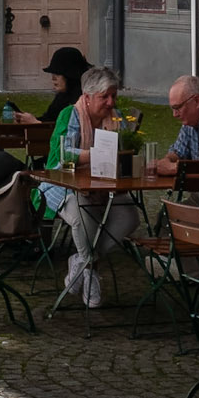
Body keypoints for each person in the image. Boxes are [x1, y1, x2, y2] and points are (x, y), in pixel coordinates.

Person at [39, 64, 139, 306]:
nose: (110, 102)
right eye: (104, 97)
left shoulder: (115, 119)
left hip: (104, 186)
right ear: (87, 97)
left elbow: (127, 150)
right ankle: (91, 270)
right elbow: (63, 155)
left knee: (129, 216)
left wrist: (122, 141)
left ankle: (82, 261)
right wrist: (97, 153)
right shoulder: (70, 115)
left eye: (114, 95)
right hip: (62, 185)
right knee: (81, 216)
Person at [40, 46, 89, 127]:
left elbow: (67, 129)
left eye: (58, 73)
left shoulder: (81, 102)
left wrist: (37, 123)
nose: (53, 78)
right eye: (53, 73)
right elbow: (49, 120)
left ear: (70, 76)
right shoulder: (61, 98)